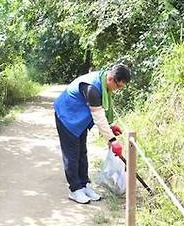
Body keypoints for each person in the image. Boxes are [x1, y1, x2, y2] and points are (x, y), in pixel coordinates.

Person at [53, 64, 131, 204]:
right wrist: (113, 141)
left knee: (82, 152)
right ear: (111, 79)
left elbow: (101, 112)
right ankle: (75, 189)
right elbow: (98, 116)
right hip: (67, 116)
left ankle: (84, 185)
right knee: (72, 154)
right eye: (118, 86)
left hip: (80, 119)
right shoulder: (92, 88)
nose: (117, 90)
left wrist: (110, 126)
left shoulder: (104, 82)